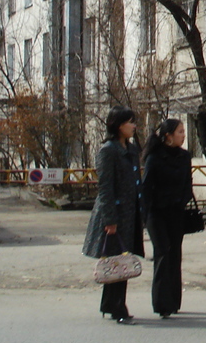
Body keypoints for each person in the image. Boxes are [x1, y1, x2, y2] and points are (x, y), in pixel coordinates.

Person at [82, 107, 144, 324]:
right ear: (118, 125)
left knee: (122, 260)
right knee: (115, 260)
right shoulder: (108, 151)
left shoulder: (132, 149)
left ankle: (112, 303)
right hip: (115, 214)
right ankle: (116, 307)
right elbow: (105, 188)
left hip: (130, 213)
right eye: (130, 122)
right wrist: (110, 220)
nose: (134, 126)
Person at [141, 118, 193, 319]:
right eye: (180, 131)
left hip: (176, 212)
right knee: (162, 252)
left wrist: (181, 200)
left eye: (183, 131)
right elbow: (146, 188)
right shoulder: (154, 158)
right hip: (156, 213)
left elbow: (188, 184)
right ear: (168, 136)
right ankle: (162, 304)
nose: (183, 135)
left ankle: (174, 301)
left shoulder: (184, 156)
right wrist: (144, 216)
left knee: (175, 255)